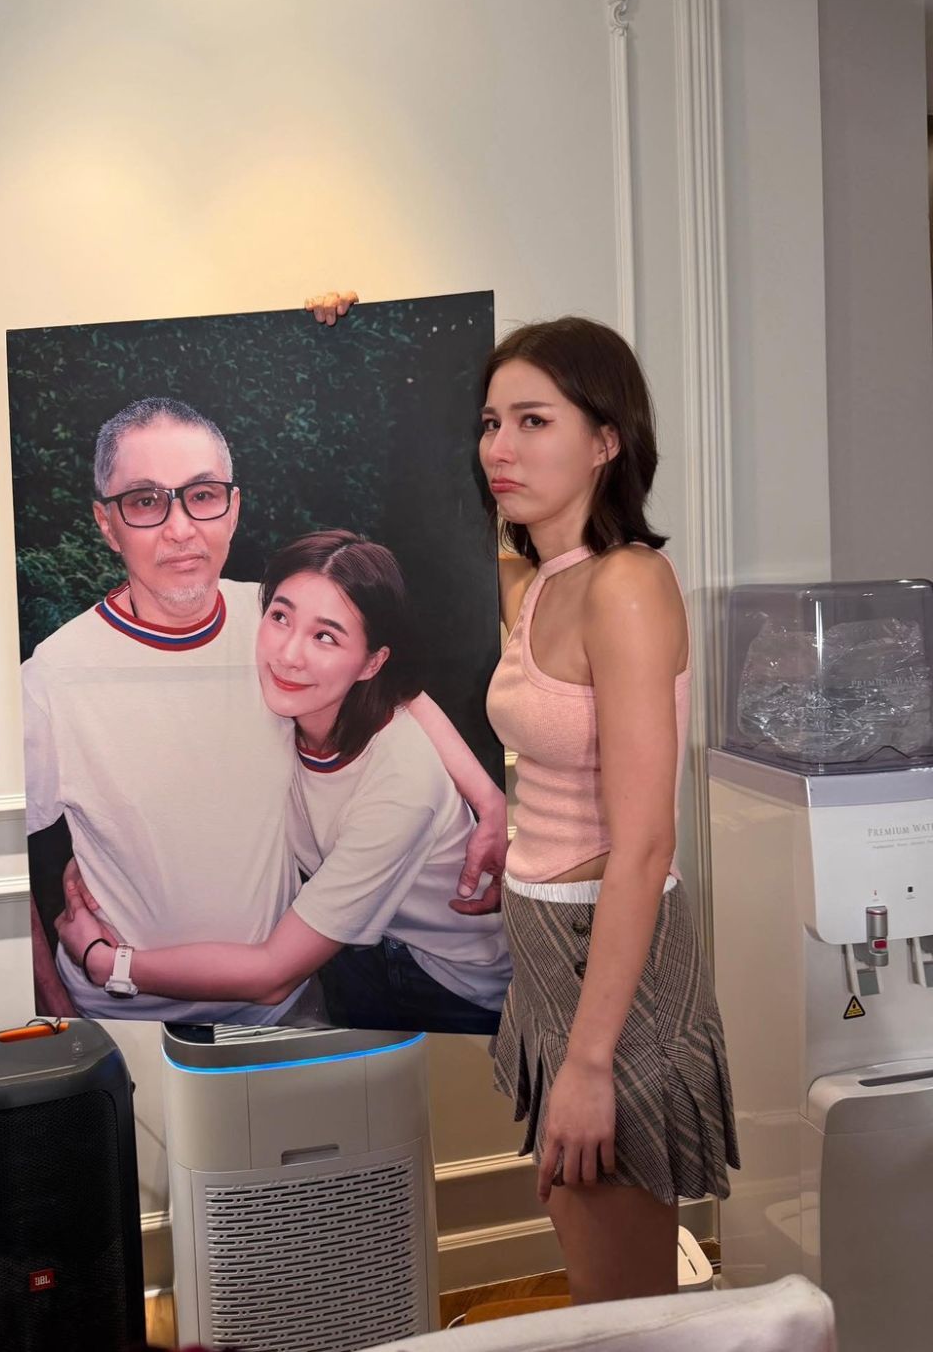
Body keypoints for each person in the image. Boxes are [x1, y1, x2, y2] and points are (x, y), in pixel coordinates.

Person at [308, 297, 739, 1305]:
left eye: (535, 420)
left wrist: (589, 1062)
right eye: (491, 422)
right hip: (545, 945)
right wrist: (345, 346)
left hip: (610, 955)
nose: (500, 447)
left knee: (622, 1302)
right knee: (594, 1263)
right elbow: (415, 515)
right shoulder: (540, 580)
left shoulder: (627, 584)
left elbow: (644, 845)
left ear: (607, 440)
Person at [24, 396, 506, 1023]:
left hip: (285, 1009)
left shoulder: (273, 620)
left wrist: (489, 801)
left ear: (233, 508)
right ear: (106, 523)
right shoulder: (54, 678)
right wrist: (53, 1005)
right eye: (144, 501)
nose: (179, 528)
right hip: (121, 1016)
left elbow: (395, 686)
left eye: (201, 495)